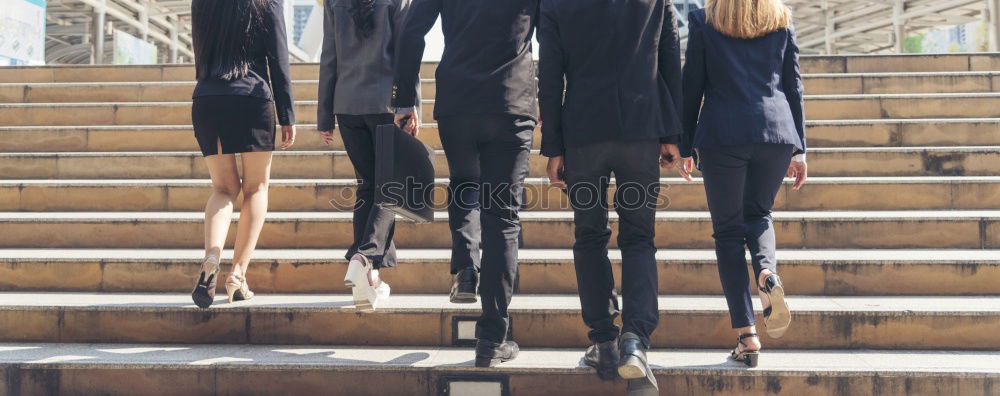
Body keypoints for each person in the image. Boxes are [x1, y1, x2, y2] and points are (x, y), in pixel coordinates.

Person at [538, 0, 682, 394]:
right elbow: (670, 60)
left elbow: (549, 75)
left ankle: (603, 341)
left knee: (589, 236)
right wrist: (672, 135)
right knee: (639, 238)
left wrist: (554, 148)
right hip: (641, 131)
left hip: (583, 135)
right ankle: (634, 341)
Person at [393, 0, 538, 367]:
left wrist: (405, 99)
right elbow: (555, 30)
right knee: (503, 219)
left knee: (463, 184)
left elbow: (411, 30)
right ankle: (491, 339)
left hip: (458, 100)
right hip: (511, 99)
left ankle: (465, 267)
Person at [680, 0, 808, 368]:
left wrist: (685, 144)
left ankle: (747, 334)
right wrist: (799, 149)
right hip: (776, 131)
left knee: (728, 234)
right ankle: (767, 273)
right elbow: (793, 85)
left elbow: (693, 86)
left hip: (723, 133)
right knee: (759, 214)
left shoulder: (705, 20)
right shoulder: (781, 19)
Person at [188, 0, 296, 309]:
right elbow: (278, 57)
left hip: (208, 96)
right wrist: (287, 114)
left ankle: (212, 255)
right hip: (252, 96)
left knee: (223, 189)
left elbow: (201, 50)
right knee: (256, 188)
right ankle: (237, 275)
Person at [317, 0, 412, 312]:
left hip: (347, 105)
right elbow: (405, 52)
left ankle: (368, 281)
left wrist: (324, 117)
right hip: (386, 105)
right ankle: (363, 255)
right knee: (391, 189)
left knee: (368, 188)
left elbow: (328, 57)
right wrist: (410, 105)